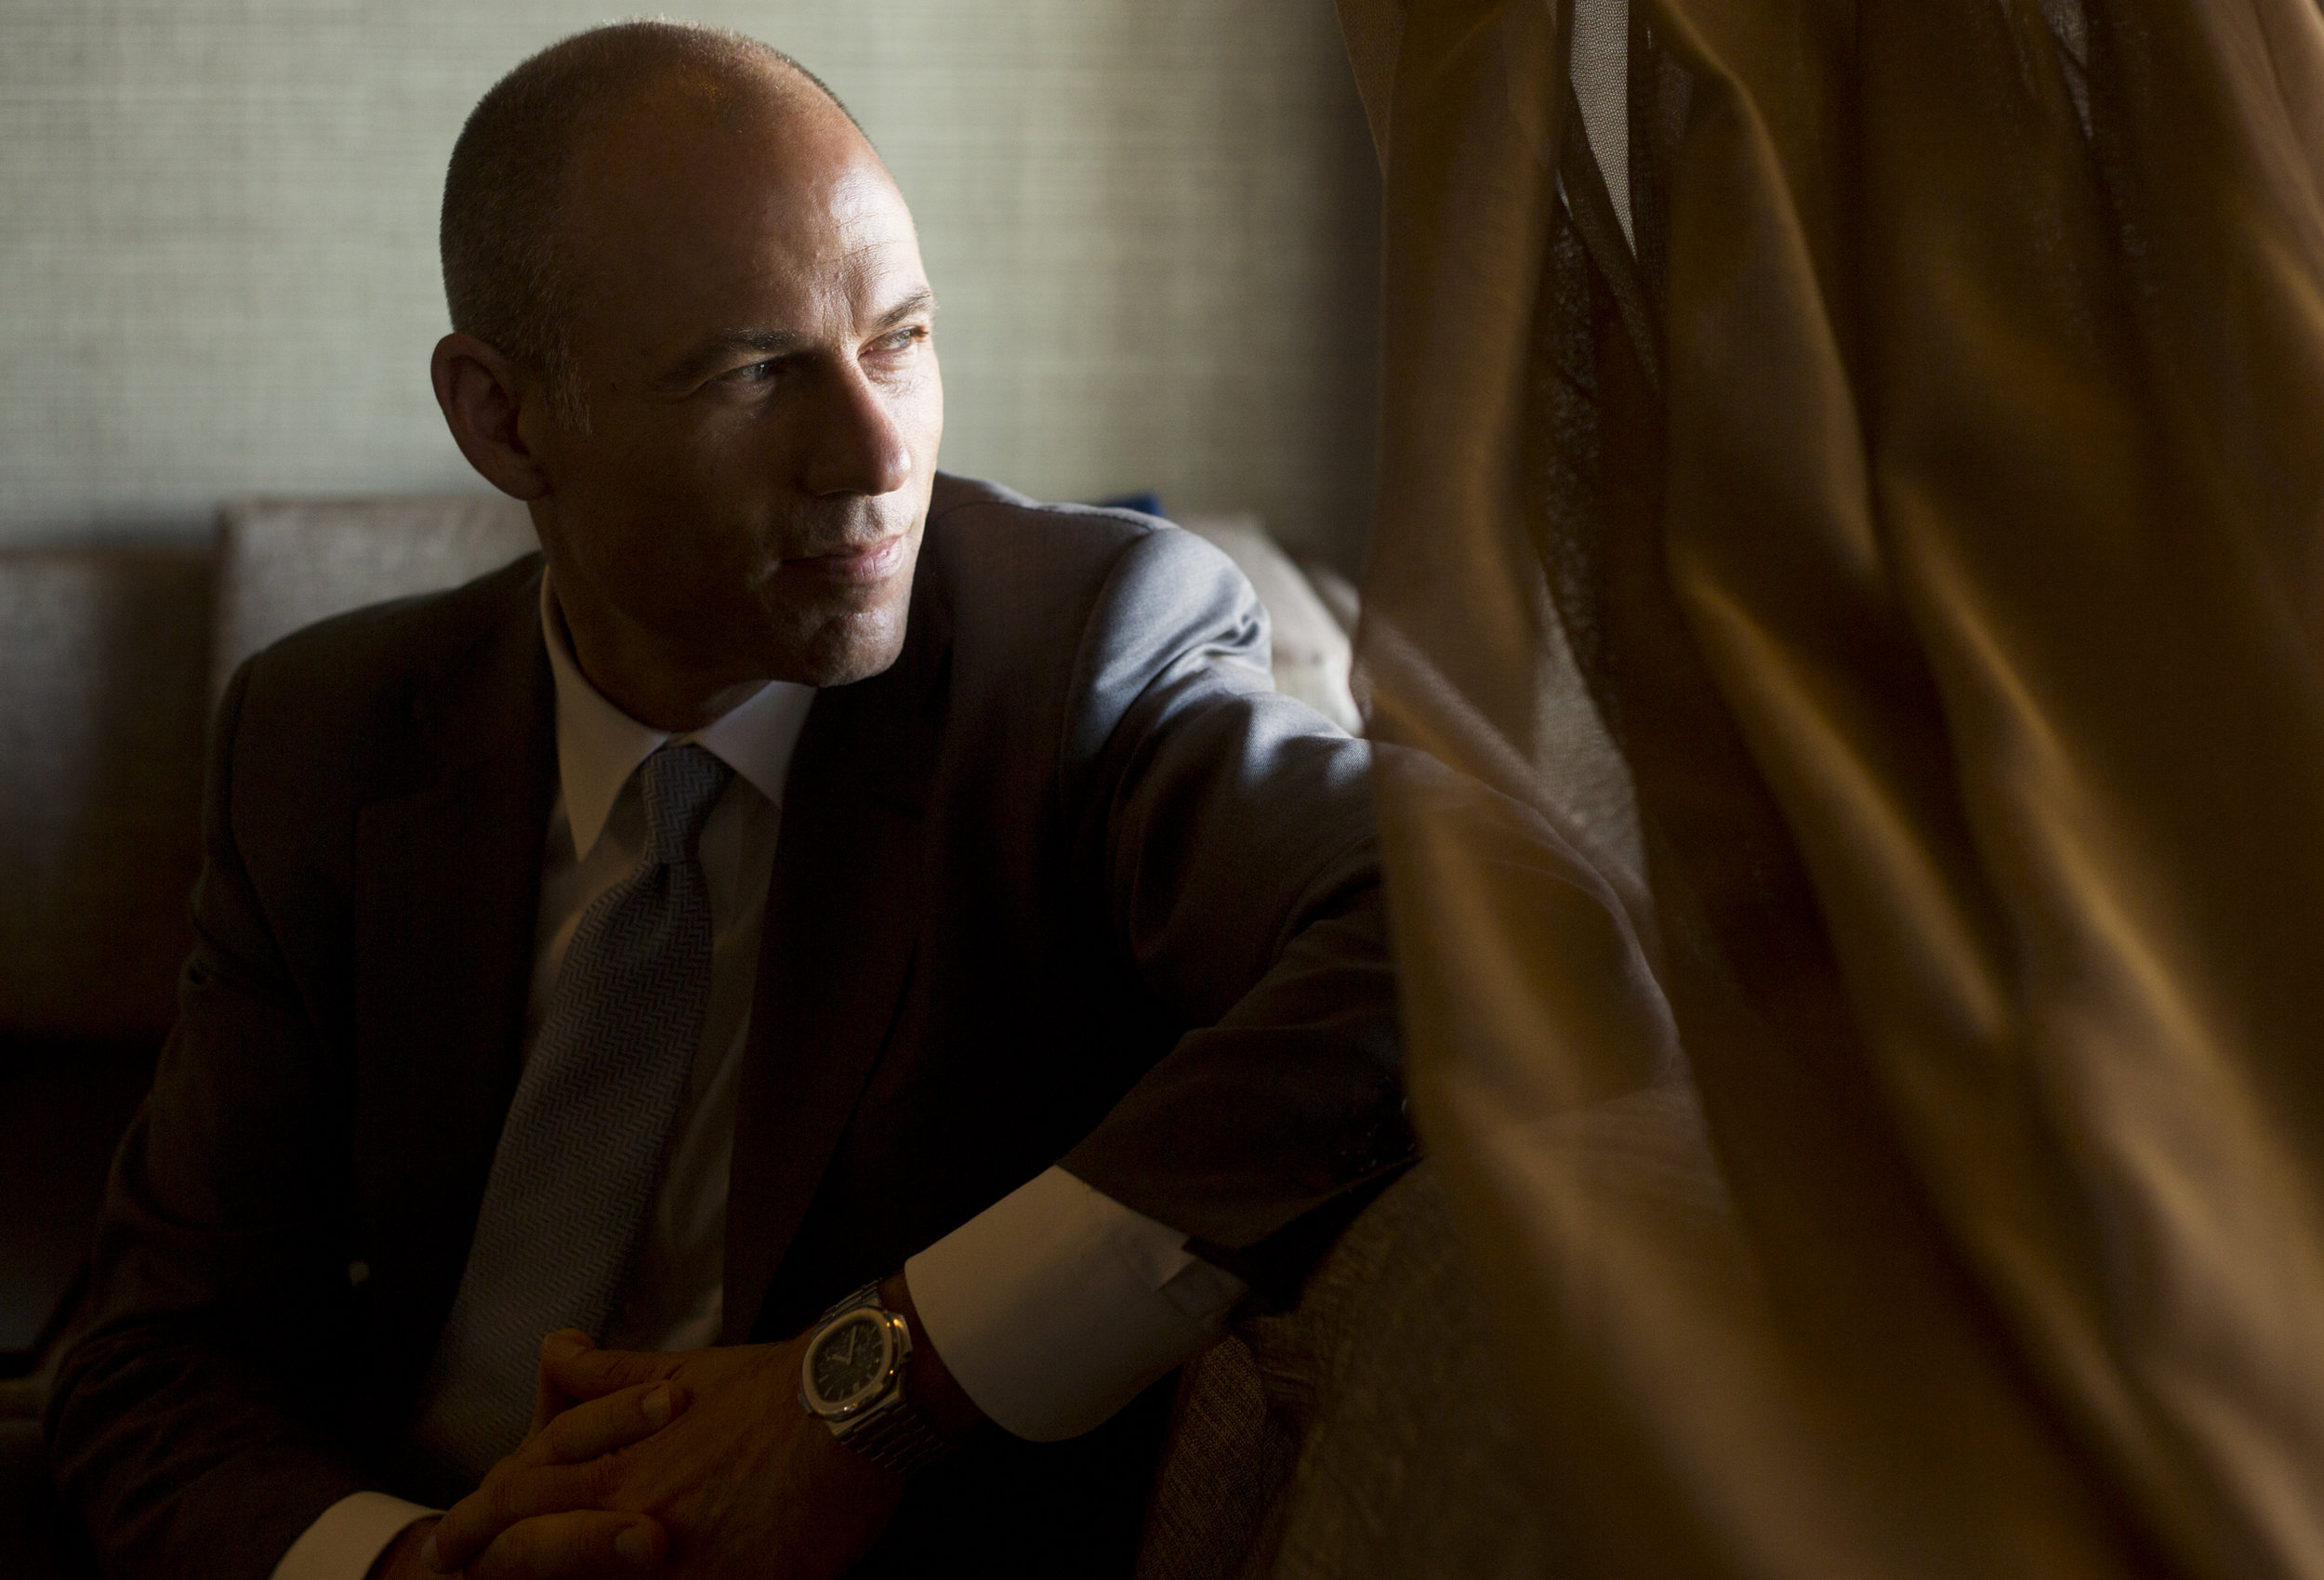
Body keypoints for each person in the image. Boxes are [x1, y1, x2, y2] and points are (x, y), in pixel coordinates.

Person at [45, 21, 1408, 1580]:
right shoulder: (322, 734)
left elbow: (1456, 930)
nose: (876, 451)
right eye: (755, 371)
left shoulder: (1087, 655)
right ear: (504, 419)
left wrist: (890, 1379)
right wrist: (417, 1567)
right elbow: (148, 1360)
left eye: (899, 337)